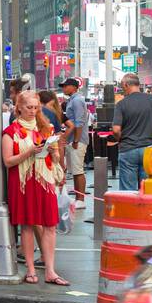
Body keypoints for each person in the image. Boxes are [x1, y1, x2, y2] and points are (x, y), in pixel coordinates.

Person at [3, 90, 69, 285]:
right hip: (23, 183)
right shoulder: (11, 132)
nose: (32, 111)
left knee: (50, 225)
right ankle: (31, 269)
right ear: (19, 109)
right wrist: (30, 151)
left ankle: (50, 270)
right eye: (28, 107)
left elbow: (56, 158)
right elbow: (8, 161)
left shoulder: (45, 128)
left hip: (44, 180)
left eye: (35, 107)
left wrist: (53, 152)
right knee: (27, 226)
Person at [112, 73, 152, 191]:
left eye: (122, 86)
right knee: (148, 190)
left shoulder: (121, 104)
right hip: (150, 152)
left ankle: (129, 210)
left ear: (126, 85)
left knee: (128, 193)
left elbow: (116, 129)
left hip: (128, 150)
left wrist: (120, 139)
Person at [60, 78, 90, 208]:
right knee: (75, 170)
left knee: (78, 170)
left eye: (66, 86)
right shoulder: (72, 100)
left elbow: (79, 122)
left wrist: (76, 140)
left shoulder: (77, 100)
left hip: (77, 140)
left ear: (73, 87)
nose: (64, 89)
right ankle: (78, 197)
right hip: (73, 140)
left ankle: (81, 199)